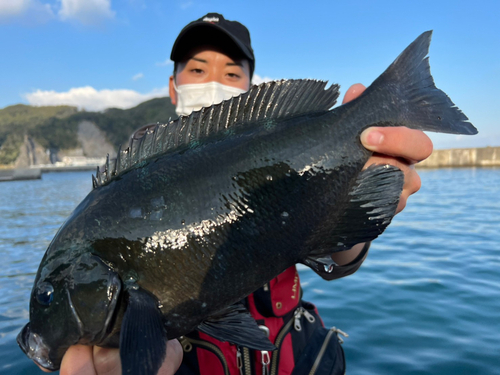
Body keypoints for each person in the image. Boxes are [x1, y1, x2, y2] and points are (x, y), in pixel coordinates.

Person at [49, 13, 432, 375]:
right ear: (173, 85)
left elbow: (337, 255)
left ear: (251, 90)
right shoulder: (122, 190)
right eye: (197, 69)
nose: (212, 80)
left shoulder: (276, 144)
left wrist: (369, 196)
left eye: (232, 72)